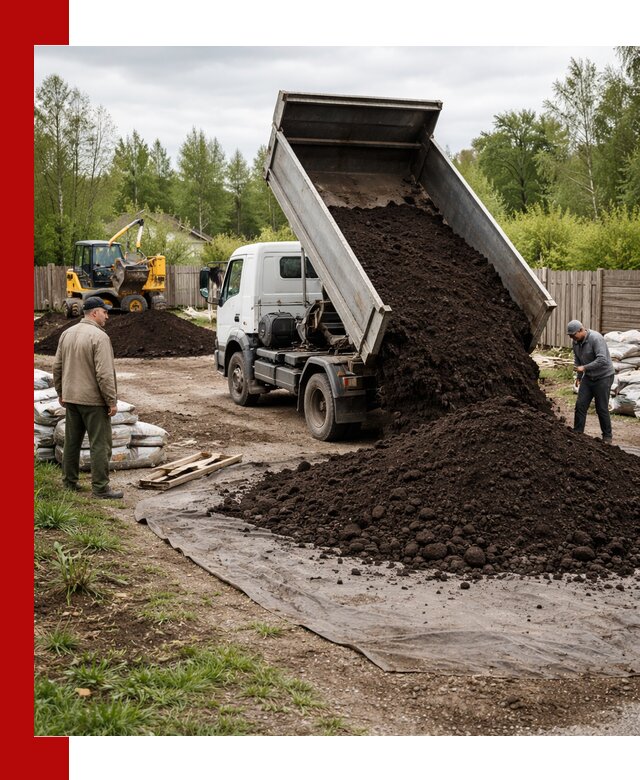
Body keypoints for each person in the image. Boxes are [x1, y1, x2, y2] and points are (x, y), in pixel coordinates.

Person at [53, 297, 124, 498]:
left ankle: (69, 482)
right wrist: (111, 400)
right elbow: (104, 374)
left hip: (71, 398)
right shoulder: (100, 337)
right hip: (93, 401)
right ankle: (100, 488)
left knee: (72, 442)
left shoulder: (66, 333)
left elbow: (57, 366)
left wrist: (61, 392)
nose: (107, 316)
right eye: (104, 312)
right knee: (100, 444)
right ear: (94, 313)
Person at [567, 319, 615, 444]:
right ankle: (578, 434)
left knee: (601, 408)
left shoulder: (596, 338)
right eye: (570, 336)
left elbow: (602, 360)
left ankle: (607, 437)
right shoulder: (576, 342)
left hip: (604, 377)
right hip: (588, 377)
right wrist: (579, 376)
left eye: (573, 335)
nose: (572, 338)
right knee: (580, 405)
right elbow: (577, 360)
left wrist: (584, 368)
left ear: (581, 330)